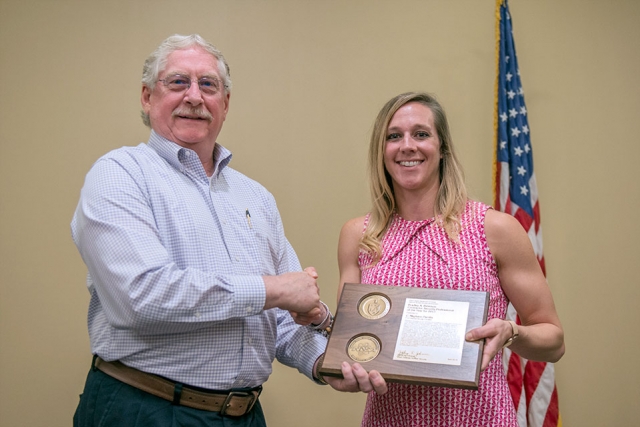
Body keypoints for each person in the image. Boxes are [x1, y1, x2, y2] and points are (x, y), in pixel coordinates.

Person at [71, 33, 386, 427]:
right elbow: (140, 297)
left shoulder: (255, 196)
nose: (194, 96)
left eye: (208, 85)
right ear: (147, 97)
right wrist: (274, 289)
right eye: (177, 82)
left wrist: (326, 364)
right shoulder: (120, 175)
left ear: (225, 103)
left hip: (245, 415)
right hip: (146, 409)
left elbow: (287, 319)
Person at [337, 92, 564, 426]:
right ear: (381, 151)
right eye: (394, 136)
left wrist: (512, 332)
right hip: (389, 419)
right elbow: (347, 345)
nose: (407, 145)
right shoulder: (358, 235)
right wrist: (339, 366)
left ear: (442, 148)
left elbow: (554, 340)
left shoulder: (494, 228)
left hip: (481, 418)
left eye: (421, 133)